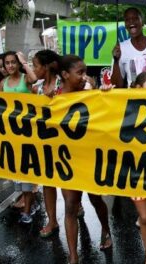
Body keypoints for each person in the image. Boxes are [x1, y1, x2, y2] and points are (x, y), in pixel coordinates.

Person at [101, 70, 146, 264]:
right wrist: (104, 95)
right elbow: (104, 118)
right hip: (136, 173)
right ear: (139, 88)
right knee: (145, 216)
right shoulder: (124, 107)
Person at [60, 55, 112, 264]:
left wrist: (104, 95)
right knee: (71, 206)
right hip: (66, 161)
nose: (85, 77)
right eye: (79, 73)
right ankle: (73, 256)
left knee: (96, 199)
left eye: (85, 72)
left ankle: (106, 231)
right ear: (65, 75)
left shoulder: (90, 95)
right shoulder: (52, 98)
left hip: (90, 158)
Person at [0, 51, 38, 223]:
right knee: (18, 172)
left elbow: (35, 78)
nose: (10, 66)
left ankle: (27, 211)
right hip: (12, 133)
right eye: (7, 63)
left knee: (27, 171)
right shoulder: (3, 83)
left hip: (28, 132)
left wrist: (24, 62)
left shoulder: (25, 79)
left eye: (14, 62)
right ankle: (29, 201)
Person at [30, 49, 62, 236]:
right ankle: (52, 221)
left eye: (35, 65)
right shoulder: (36, 89)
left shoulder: (64, 84)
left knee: (70, 183)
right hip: (46, 141)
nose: (34, 69)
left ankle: (77, 205)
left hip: (66, 142)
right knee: (48, 182)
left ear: (47, 66)